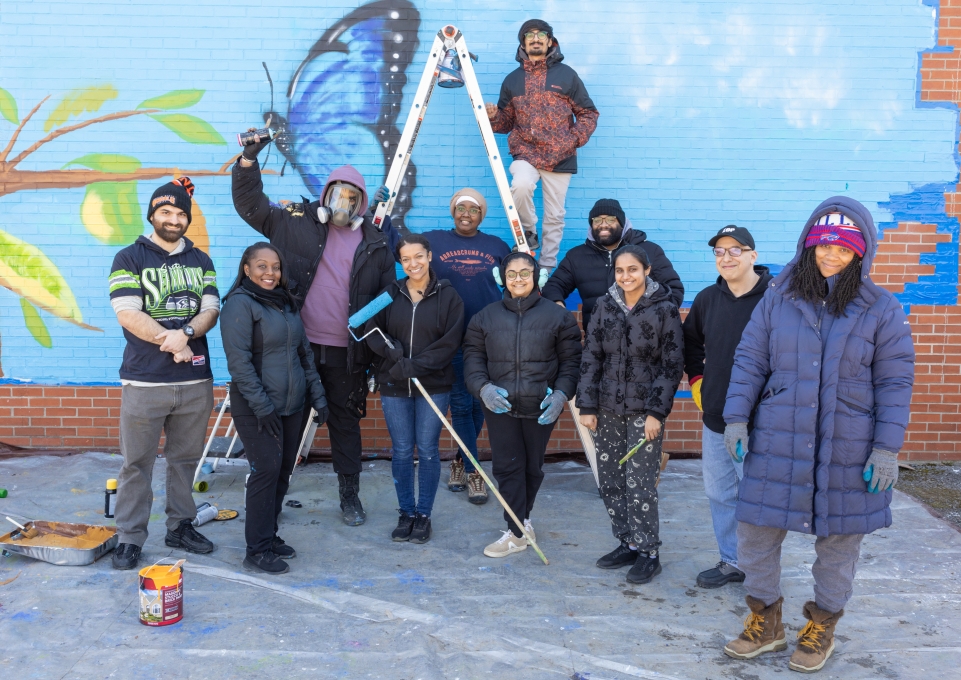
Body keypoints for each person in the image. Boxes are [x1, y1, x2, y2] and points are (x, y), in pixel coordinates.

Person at [721, 198, 914, 673]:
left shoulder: (880, 309)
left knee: (839, 542)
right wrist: (736, 417)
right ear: (809, 243)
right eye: (824, 245)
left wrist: (887, 448)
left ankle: (822, 624)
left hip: (847, 445)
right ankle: (765, 621)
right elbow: (750, 360)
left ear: (860, 254)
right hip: (779, 439)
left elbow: (894, 381)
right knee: (755, 534)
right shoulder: (780, 296)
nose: (831, 256)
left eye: (844, 250)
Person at [233, 136, 395, 526]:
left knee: (344, 422)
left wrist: (366, 327)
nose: (343, 204)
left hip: (346, 351)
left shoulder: (375, 240)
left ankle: (349, 495)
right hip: (294, 347)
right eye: (338, 194)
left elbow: (390, 292)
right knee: (287, 419)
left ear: (362, 204)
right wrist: (247, 161)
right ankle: (273, 492)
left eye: (353, 198)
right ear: (325, 195)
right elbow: (251, 204)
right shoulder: (293, 221)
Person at [107, 177, 220, 570]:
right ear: (153, 214)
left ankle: (180, 526)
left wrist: (186, 333)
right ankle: (129, 537)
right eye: (165, 212)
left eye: (179, 214)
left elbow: (210, 310)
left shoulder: (202, 261)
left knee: (184, 460)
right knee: (136, 463)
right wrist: (170, 340)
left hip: (194, 382)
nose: (173, 219)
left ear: (187, 219)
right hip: (144, 381)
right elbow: (127, 313)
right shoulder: (128, 258)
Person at [575, 245, 683, 585]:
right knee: (610, 479)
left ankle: (649, 551)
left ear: (647, 270)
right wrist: (587, 405)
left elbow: (671, 365)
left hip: (643, 412)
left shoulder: (664, 309)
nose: (626, 277)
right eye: (620, 271)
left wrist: (656, 412)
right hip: (606, 409)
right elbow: (591, 358)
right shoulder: (604, 307)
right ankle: (627, 541)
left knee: (639, 484)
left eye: (633, 270)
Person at [463, 252, 582, 558]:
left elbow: (572, 363)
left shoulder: (558, 317)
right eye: (511, 274)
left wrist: (560, 395)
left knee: (532, 467)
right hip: (499, 406)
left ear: (536, 277)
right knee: (507, 467)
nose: (518, 279)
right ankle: (516, 531)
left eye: (524, 273)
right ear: (502, 278)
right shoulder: (484, 317)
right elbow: (473, 359)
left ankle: (523, 521)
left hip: (540, 406)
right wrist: (483, 388)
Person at [220, 243, 329, 574]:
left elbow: (304, 354)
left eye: (276, 267)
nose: (270, 273)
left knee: (283, 471)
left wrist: (318, 397)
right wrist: (262, 406)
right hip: (257, 407)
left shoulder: (286, 305)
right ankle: (256, 549)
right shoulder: (239, 305)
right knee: (265, 471)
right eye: (262, 266)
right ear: (247, 269)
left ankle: (269, 535)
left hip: (293, 405)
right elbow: (239, 364)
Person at [682, 225, 772, 589]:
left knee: (757, 496)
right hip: (716, 417)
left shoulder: (775, 299)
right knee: (720, 493)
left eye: (736, 250)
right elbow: (691, 346)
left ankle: (761, 568)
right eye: (719, 251)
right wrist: (698, 382)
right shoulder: (706, 299)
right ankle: (732, 560)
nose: (727, 257)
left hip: (760, 421)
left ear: (753, 255)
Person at [365, 234, 465, 544]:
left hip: (433, 385)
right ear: (400, 261)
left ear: (430, 256)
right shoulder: (389, 293)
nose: (413, 264)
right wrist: (388, 349)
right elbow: (367, 326)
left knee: (429, 449)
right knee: (402, 451)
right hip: (394, 384)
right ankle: (405, 513)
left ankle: (424, 516)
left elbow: (449, 344)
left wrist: (414, 366)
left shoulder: (449, 296)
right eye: (406, 259)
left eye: (418, 256)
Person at [485, 19, 599, 270]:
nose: (535, 39)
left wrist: (572, 140)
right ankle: (528, 233)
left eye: (541, 34)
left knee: (554, 216)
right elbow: (505, 123)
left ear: (550, 41)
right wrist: (493, 117)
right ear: (523, 42)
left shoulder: (566, 75)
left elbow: (589, 113)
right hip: (525, 151)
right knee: (521, 185)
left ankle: (546, 267)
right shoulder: (512, 80)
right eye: (530, 35)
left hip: (560, 155)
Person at [422, 188, 511, 504]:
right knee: (461, 403)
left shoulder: (497, 246)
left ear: (481, 215)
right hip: (451, 336)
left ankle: (459, 461)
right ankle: (476, 474)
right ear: (452, 211)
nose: (466, 214)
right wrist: (378, 215)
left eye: (474, 209)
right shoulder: (433, 241)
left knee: (479, 405)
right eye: (461, 207)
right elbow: (397, 247)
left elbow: (519, 275)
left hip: (488, 338)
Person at [542, 198, 684, 331]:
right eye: (597, 220)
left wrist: (654, 319)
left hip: (645, 339)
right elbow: (554, 286)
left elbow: (674, 289)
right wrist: (558, 305)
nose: (603, 224)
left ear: (622, 223)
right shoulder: (576, 256)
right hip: (598, 345)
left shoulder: (649, 251)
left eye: (611, 219)